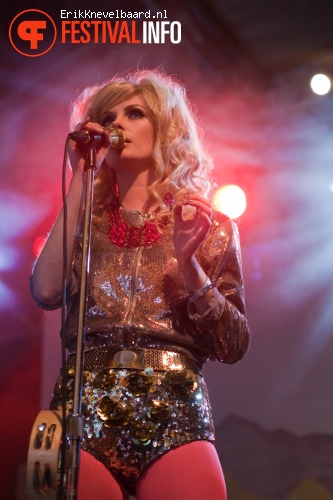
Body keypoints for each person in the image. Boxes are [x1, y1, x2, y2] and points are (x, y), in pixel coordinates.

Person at [30, 68, 250, 500]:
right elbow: (45, 292)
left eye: (134, 114)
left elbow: (234, 344)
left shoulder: (209, 225)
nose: (116, 125)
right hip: (83, 405)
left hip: (173, 406)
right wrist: (81, 178)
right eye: (107, 117)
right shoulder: (81, 224)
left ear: (166, 129)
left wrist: (189, 264)